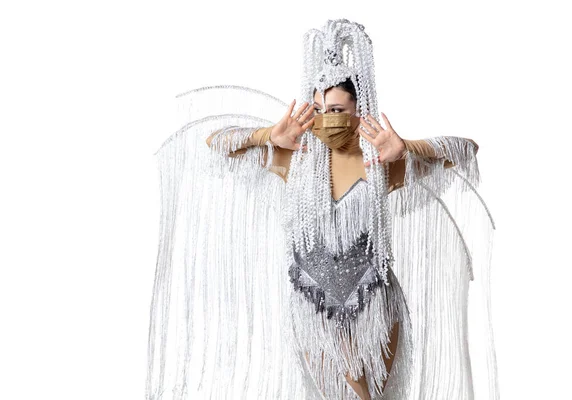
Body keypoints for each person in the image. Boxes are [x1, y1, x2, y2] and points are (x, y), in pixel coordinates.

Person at [146, 19, 499, 400]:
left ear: (358, 110)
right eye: (316, 108)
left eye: (334, 109)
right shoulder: (297, 157)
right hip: (312, 304)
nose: (324, 118)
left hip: (372, 304)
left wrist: (408, 148)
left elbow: (468, 149)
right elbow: (216, 142)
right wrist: (267, 136)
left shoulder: (381, 162)